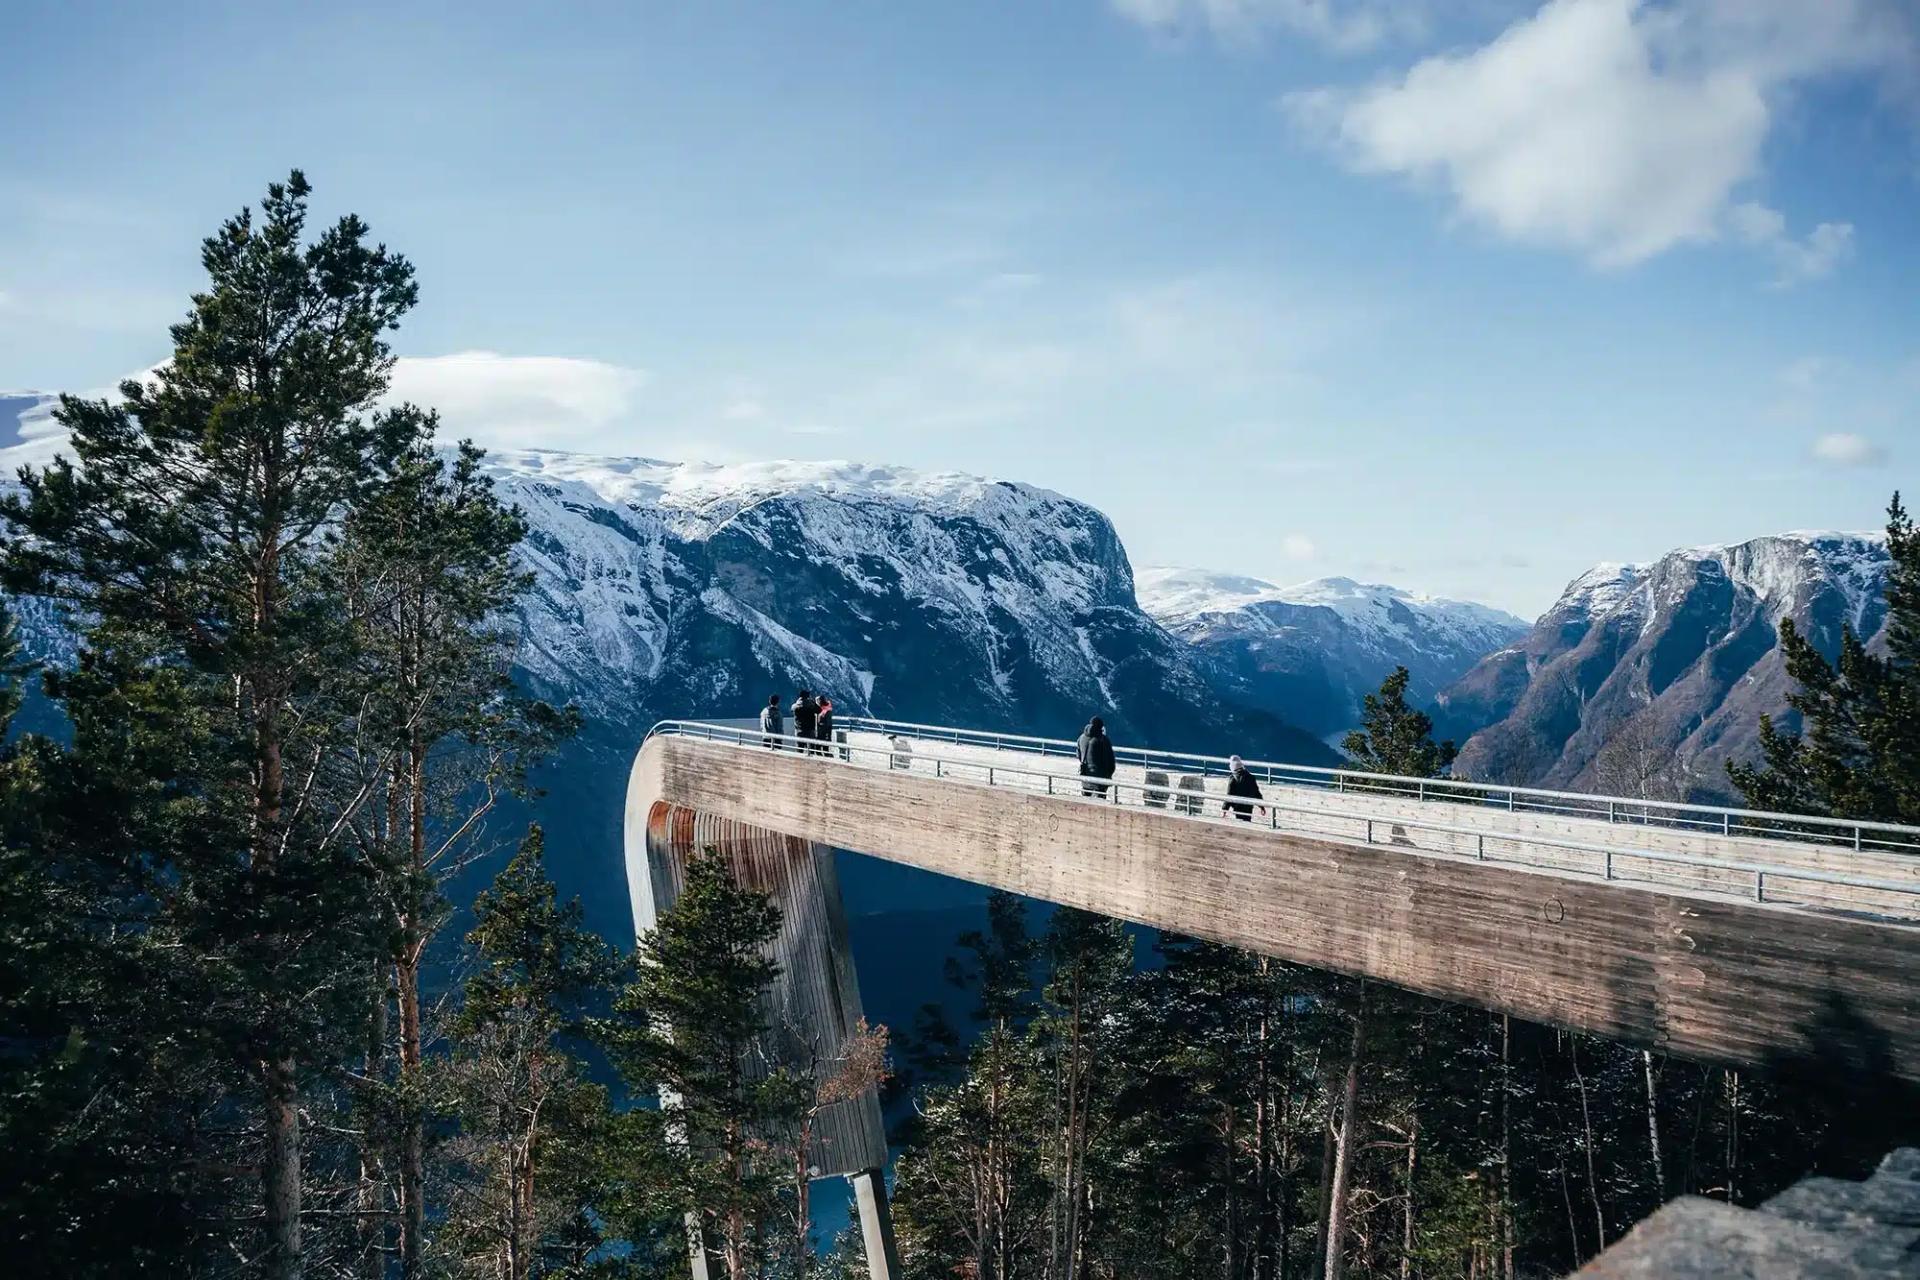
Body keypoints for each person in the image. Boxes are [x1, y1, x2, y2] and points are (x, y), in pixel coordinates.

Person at [1077, 716, 1117, 799]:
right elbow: (1109, 760)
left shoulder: (1081, 738)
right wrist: (1109, 774)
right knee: (1099, 801)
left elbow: (1078, 754)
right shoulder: (1103, 740)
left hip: (1085, 775)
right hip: (1100, 778)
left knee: (1085, 801)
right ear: (1101, 727)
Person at [1225, 754, 1264, 822]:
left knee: (1239, 823)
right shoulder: (1251, 777)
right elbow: (1256, 793)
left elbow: (1229, 795)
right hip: (1248, 806)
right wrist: (1262, 807)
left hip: (1238, 807)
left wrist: (1224, 809)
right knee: (1247, 821)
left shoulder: (1233, 779)